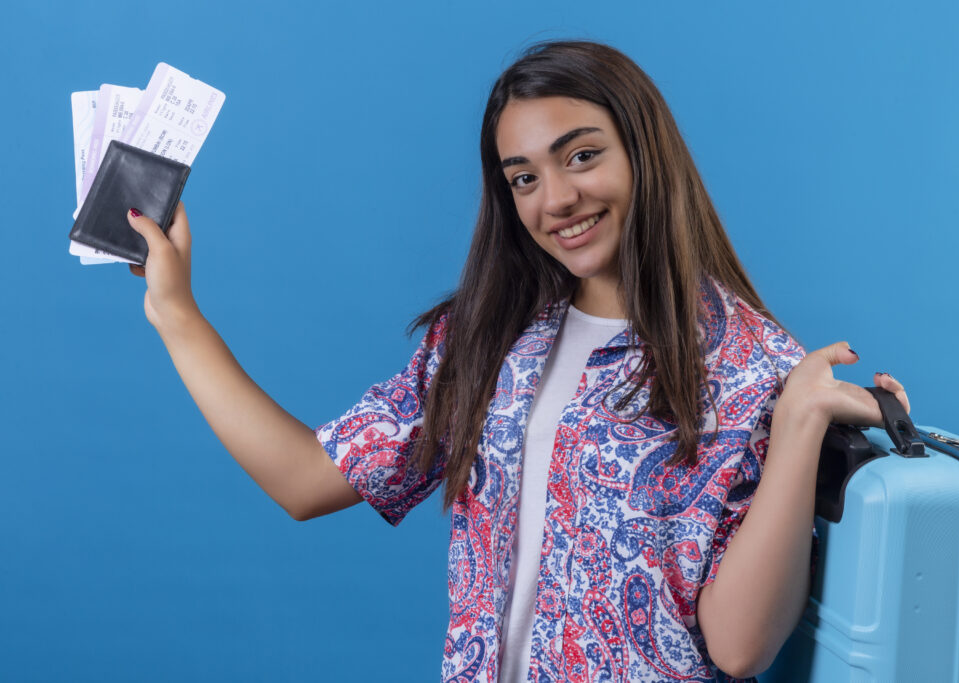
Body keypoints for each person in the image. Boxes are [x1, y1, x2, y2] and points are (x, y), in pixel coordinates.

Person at [125, 41, 910, 682]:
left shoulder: (752, 368)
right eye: (524, 178)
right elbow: (304, 480)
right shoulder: (487, 336)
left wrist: (799, 423)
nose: (555, 199)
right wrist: (177, 313)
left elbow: (739, 648)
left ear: (645, 152)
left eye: (582, 156)